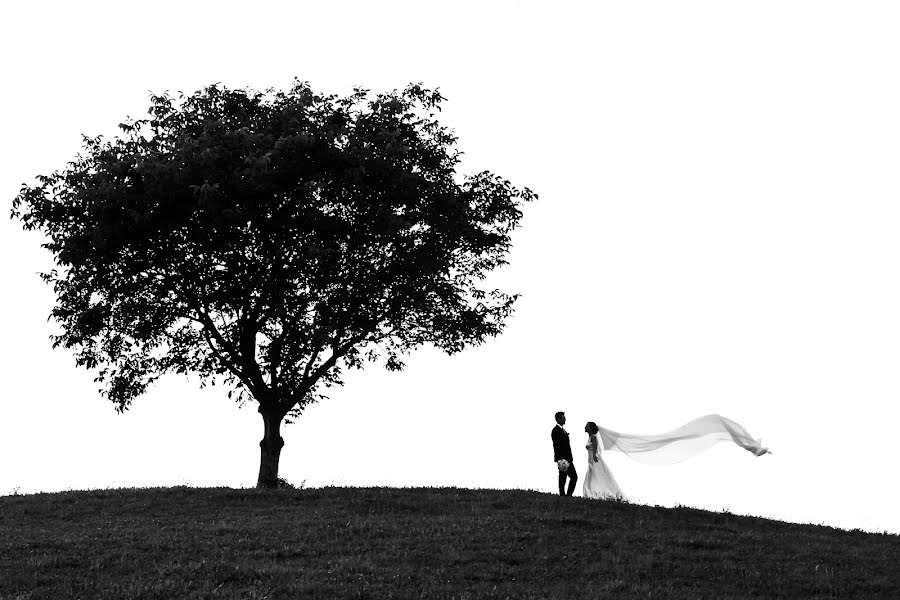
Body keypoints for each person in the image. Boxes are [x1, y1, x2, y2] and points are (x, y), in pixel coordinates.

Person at [582, 421, 624, 500]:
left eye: (587, 426)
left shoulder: (593, 437)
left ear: (590, 428)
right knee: (593, 475)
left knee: (596, 475)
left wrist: (594, 455)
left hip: (594, 459)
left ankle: (595, 492)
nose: (585, 427)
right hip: (590, 459)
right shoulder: (590, 437)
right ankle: (592, 491)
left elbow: (595, 447)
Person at [551, 411, 577, 496]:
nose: (565, 419)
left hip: (568, 458)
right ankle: (563, 494)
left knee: (571, 477)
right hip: (563, 458)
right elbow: (557, 445)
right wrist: (560, 459)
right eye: (563, 418)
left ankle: (567, 495)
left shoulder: (562, 430)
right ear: (558, 419)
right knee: (565, 477)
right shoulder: (555, 430)